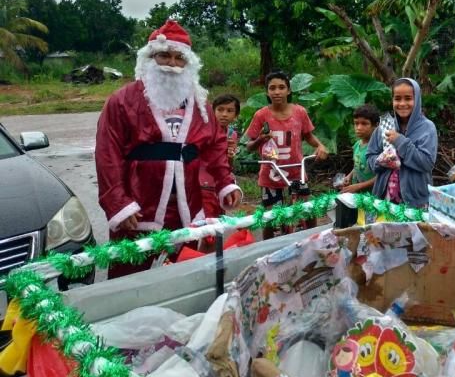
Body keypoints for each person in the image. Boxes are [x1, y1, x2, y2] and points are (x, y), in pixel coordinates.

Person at [95, 20, 242, 279]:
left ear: (189, 63)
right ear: (150, 58)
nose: (172, 64)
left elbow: (215, 147)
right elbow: (108, 154)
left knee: (185, 274)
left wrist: (225, 183)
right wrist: (119, 203)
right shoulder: (122, 101)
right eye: (164, 56)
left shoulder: (200, 103)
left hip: (187, 204)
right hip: (139, 206)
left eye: (179, 58)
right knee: (134, 277)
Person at [244, 71, 328, 236]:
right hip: (271, 174)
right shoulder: (261, 115)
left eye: (281, 87)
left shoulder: (299, 112)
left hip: (297, 172)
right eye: (272, 88)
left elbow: (308, 136)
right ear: (267, 92)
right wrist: (260, 139)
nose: (277, 92)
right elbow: (248, 146)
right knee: (270, 217)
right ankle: (268, 250)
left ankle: (313, 241)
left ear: (289, 90)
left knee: (308, 211)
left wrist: (320, 146)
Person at [367, 78, 438, 208]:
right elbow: (370, 156)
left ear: (417, 100)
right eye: (397, 98)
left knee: (414, 228)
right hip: (385, 199)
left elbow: (427, 163)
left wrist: (400, 141)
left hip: (415, 201)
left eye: (408, 98)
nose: (402, 103)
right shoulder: (385, 126)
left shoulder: (427, 128)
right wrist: (381, 161)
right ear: (392, 100)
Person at [200, 94, 241, 219]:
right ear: (213, 112)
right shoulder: (204, 131)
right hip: (203, 183)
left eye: (229, 111)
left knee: (219, 220)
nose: (224, 114)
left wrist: (230, 155)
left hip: (221, 184)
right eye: (220, 109)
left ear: (236, 116)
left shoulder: (231, 135)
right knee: (205, 222)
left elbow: (228, 165)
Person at [341, 104, 379, 194]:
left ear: (376, 126)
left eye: (364, 123)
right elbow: (357, 165)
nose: (359, 128)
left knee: (368, 208)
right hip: (358, 195)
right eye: (356, 123)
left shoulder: (378, 149)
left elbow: (383, 176)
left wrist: (359, 186)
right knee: (358, 208)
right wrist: (349, 176)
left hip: (372, 197)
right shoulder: (357, 145)